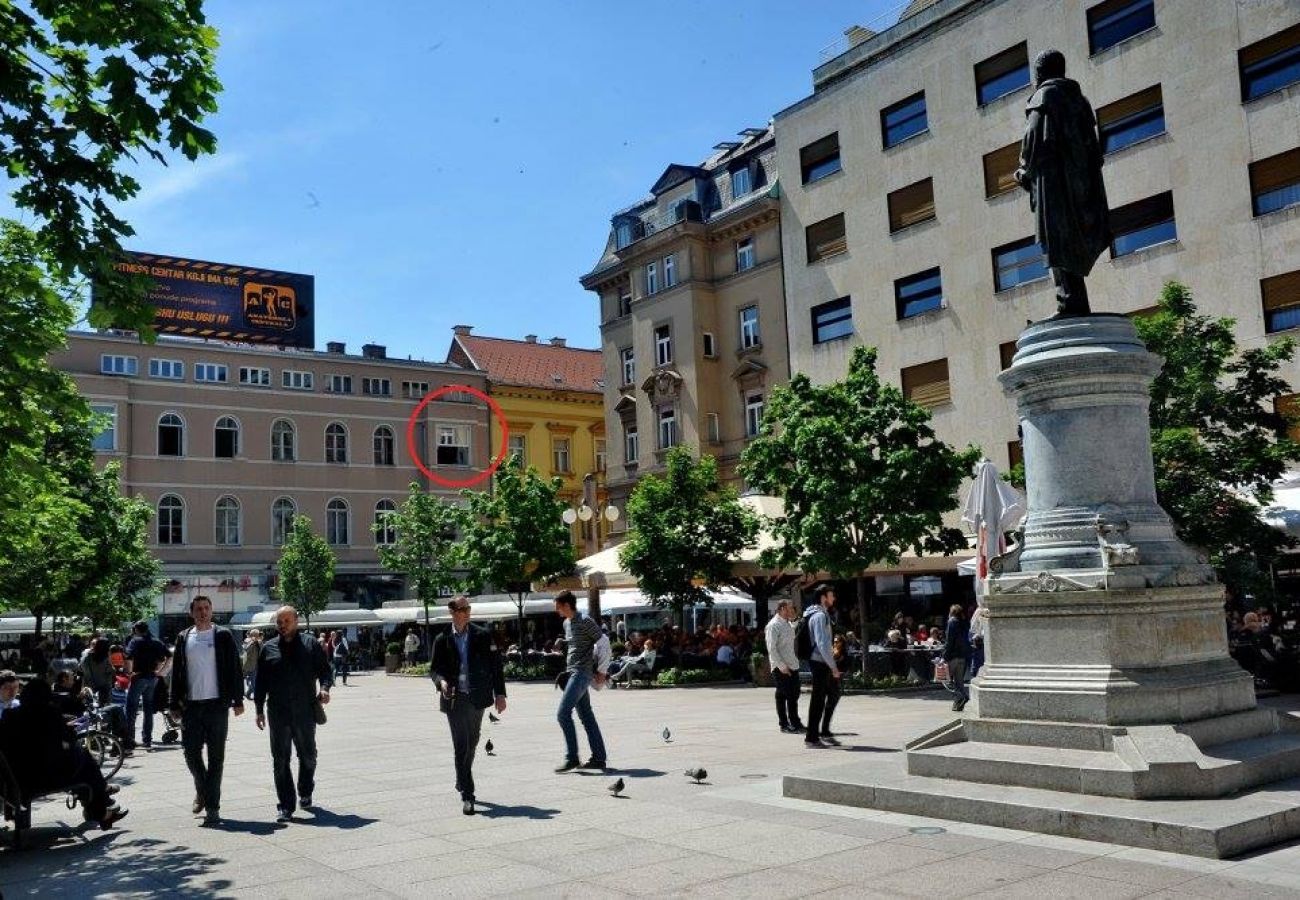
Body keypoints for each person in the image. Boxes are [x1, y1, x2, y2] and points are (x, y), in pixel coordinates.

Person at [1014, 48, 1110, 318]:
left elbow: (1033, 141)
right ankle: (1075, 301)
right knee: (1070, 242)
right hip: (1081, 187)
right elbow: (1094, 151)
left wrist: (1024, 172)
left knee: (1055, 241)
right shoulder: (1080, 101)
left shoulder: (1043, 97)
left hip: (1053, 186)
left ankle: (1068, 301)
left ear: (1039, 73)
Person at [0, 679, 128, 830]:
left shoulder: (10, 715)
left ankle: (101, 805)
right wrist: (65, 728)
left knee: (83, 765)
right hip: (44, 778)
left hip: (16, 777)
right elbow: (68, 738)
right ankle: (101, 810)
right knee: (85, 764)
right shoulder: (50, 713)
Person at [170, 595, 246, 826]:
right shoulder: (184, 637)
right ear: (192, 613)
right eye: (198, 609)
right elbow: (177, 672)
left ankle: (213, 807)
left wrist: (238, 699)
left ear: (211, 611)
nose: (203, 612)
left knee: (216, 758)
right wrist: (174, 703)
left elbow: (235, 667)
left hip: (217, 705)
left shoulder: (222, 635)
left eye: (206, 608)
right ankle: (203, 789)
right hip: (191, 706)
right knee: (190, 754)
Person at [254, 606, 333, 822]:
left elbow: (326, 671)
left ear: (296, 621)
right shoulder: (267, 648)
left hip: (305, 711)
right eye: (279, 622)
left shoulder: (311, 645)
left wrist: (325, 688)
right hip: (278, 712)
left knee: (308, 756)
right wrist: (259, 709)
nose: (282, 625)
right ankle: (286, 805)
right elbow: (260, 682)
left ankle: (305, 789)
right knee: (280, 760)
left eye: (287, 621)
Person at [430, 597, 507, 816]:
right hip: (454, 698)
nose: (468, 612)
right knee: (461, 745)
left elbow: (495, 666)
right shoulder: (442, 638)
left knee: (473, 743)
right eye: (463, 609)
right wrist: (441, 682)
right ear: (453, 612)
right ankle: (468, 794)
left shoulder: (482, 635)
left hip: (478, 697)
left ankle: (461, 778)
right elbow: (435, 669)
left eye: (469, 608)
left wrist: (500, 694)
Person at [552, 591, 608, 772]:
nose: (557, 611)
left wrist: (602, 671)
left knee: (562, 714)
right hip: (572, 673)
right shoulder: (567, 623)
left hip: (581, 674)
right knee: (587, 717)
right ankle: (599, 758)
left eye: (558, 607)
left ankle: (572, 758)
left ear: (567, 605)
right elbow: (576, 646)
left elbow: (604, 642)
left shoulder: (585, 621)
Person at [803, 584, 841, 748]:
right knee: (818, 700)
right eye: (831, 595)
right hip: (820, 662)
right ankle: (812, 737)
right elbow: (823, 643)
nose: (833, 598)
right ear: (823, 597)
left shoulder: (817, 614)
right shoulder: (819, 616)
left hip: (819, 661)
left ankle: (823, 731)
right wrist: (833, 666)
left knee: (832, 694)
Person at [124, 620, 171, 750]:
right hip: (152, 677)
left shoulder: (135, 641)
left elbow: (128, 657)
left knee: (131, 709)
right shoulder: (157, 641)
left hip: (139, 676)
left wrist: (130, 672)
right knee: (148, 709)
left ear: (136, 630)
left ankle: (130, 739)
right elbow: (169, 656)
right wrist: (161, 672)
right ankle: (147, 739)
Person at [765, 600, 804, 734]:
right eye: (789, 609)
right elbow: (771, 648)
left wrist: (796, 620)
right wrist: (781, 666)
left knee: (790, 693)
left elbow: (791, 632)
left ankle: (791, 722)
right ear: (781, 609)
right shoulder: (773, 625)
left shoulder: (786, 623)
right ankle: (788, 723)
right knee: (789, 694)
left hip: (792, 664)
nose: (792, 611)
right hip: (780, 666)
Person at [944, 604, 974, 712]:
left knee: (946, 680)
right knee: (959, 682)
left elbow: (949, 641)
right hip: (963, 656)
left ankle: (961, 696)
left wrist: (944, 656)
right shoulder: (965, 622)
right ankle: (958, 705)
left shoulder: (952, 622)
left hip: (953, 656)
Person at [81, 637, 115, 705]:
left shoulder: (87, 656)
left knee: (89, 707)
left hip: (89, 686)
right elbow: (111, 671)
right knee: (104, 708)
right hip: (104, 687)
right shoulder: (105, 659)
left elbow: (82, 668)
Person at [242, 629, 263, 700]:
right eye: (258, 635)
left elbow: (262, 651)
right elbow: (246, 649)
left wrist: (258, 642)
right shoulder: (247, 641)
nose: (260, 636)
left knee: (254, 681)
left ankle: (250, 693)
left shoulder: (260, 642)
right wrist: (252, 642)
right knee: (241, 680)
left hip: (256, 665)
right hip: (247, 665)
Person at [969, 605, 987, 677]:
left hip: (977, 637)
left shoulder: (979, 610)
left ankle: (975, 671)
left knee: (977, 657)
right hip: (978, 638)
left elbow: (973, 626)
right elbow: (975, 627)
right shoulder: (980, 611)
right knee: (978, 657)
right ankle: (975, 671)